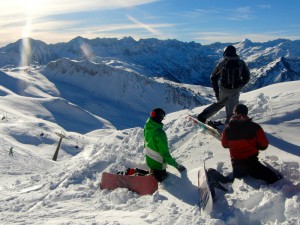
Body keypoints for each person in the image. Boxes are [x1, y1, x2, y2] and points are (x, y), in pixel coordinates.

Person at [221, 104, 281, 184]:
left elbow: (225, 145)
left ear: (235, 113)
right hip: (252, 164)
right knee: (275, 178)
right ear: (246, 113)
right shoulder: (255, 127)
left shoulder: (228, 129)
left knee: (238, 173)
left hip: (236, 165)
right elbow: (264, 146)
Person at [197, 45, 250, 124]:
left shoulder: (222, 63)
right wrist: (240, 86)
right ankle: (230, 127)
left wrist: (216, 91)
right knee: (232, 110)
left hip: (223, 89)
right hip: (235, 90)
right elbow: (247, 76)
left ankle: (203, 116)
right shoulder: (240, 62)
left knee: (219, 104)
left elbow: (213, 77)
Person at [144, 108, 186, 182]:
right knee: (163, 179)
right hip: (159, 166)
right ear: (160, 117)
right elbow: (165, 154)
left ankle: (145, 174)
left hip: (150, 162)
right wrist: (177, 166)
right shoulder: (159, 134)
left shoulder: (147, 128)